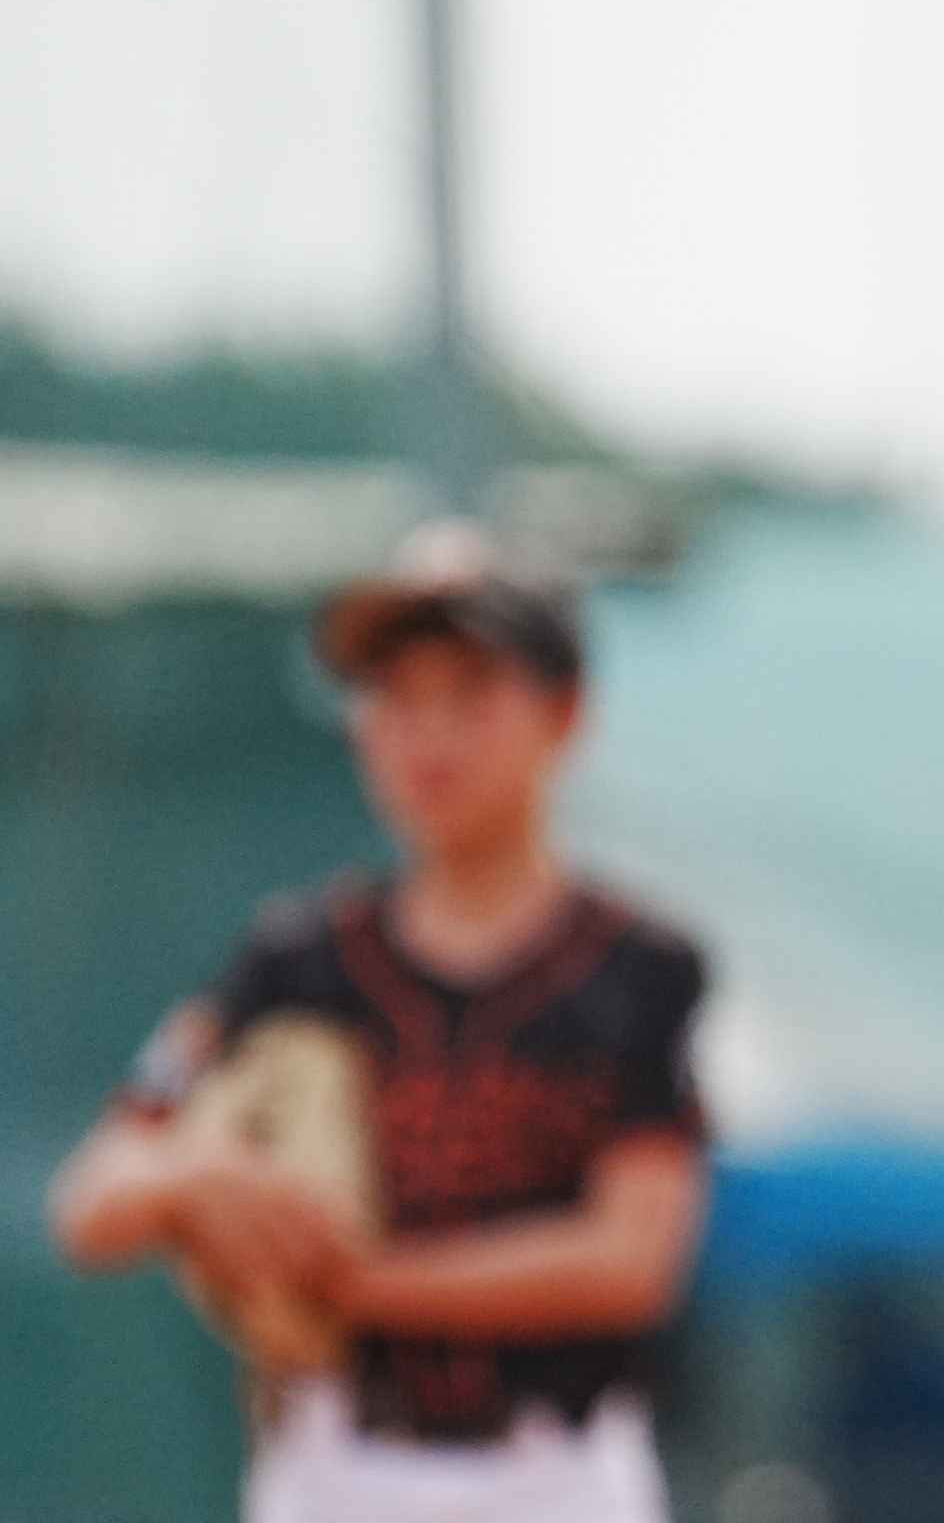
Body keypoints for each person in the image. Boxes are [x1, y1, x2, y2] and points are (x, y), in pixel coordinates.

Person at [48, 523, 711, 1523]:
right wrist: (190, 1173)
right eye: (396, 698)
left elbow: (629, 1261)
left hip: (555, 1478)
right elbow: (91, 1201)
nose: (428, 735)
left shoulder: (636, 967)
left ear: (566, 712)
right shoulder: (295, 961)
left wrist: (354, 1285)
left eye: (470, 693)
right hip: (335, 1466)